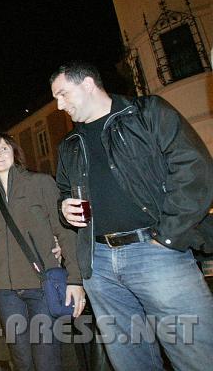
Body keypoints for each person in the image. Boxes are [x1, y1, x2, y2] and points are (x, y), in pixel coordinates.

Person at [50, 60, 213, 370]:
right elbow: (64, 192)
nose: (59, 105)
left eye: (63, 94)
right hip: (99, 265)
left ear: (87, 84)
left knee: (196, 353)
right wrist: (63, 207)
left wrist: (167, 236)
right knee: (130, 361)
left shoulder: (146, 113)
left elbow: (194, 168)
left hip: (156, 253)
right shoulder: (70, 144)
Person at [0, 132, 85, 371]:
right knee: (22, 361)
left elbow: (65, 231)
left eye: (3, 149)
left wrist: (75, 278)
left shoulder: (40, 183)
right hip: (5, 291)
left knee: (47, 359)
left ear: (15, 153)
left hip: (41, 285)